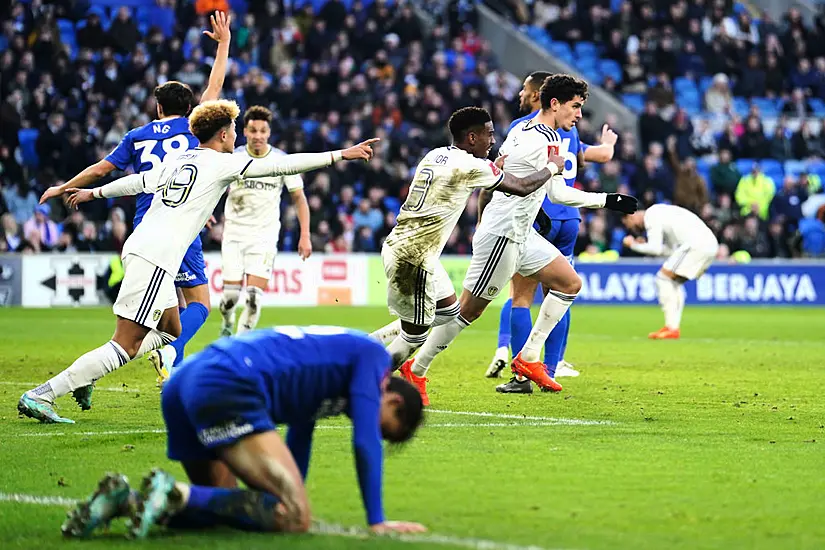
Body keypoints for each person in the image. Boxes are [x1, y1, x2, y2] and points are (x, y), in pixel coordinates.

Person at [18, 99, 379, 424]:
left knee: (171, 331)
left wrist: (94, 192)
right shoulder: (223, 164)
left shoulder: (180, 159)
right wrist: (340, 154)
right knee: (125, 344)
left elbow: (136, 182)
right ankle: (43, 394)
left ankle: (87, 376)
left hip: (142, 247)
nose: (237, 136)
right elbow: (283, 166)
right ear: (223, 134)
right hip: (157, 257)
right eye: (235, 130)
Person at [396, 75, 637, 402]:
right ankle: (417, 367)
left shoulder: (542, 134)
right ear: (555, 103)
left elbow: (555, 191)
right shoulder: (533, 138)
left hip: (522, 234)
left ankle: (528, 357)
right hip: (503, 234)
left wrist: (607, 200)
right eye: (576, 106)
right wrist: (603, 199)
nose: (580, 115)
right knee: (467, 312)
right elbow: (502, 177)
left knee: (569, 284)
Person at [61, 326, 426, 538]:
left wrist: (286, 485)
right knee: (295, 518)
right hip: (230, 382)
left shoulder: (330, 377)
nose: (376, 434)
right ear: (392, 402)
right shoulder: (373, 360)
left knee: (227, 508)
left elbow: (301, 431)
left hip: (187, 381)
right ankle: (171, 492)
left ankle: (127, 502)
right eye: (387, 431)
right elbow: (363, 440)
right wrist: (376, 520)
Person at [38, 12, 233, 381]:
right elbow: (216, 85)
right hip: (177, 226)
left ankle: (163, 365)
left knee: (169, 319)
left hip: (144, 224)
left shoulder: (137, 135)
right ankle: (172, 357)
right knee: (200, 305)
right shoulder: (195, 130)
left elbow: (101, 170)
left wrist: (64, 187)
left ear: (158, 107)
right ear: (190, 109)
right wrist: (222, 44)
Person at [368, 107, 565, 403]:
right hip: (414, 258)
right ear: (471, 137)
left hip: (407, 247)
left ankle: (365, 346)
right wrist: (552, 167)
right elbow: (522, 187)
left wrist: (493, 168)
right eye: (488, 134)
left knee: (448, 311)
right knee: (416, 334)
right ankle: (366, 381)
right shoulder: (471, 166)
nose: (492, 140)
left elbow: (480, 178)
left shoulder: (435, 155)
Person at [487, 71, 618, 390]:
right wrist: (609, 147)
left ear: (538, 96)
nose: (519, 95)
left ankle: (521, 373)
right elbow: (594, 158)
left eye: (524, 90)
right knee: (560, 293)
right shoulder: (568, 132)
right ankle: (553, 367)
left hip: (538, 217)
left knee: (520, 297)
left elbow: (501, 171)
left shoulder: (526, 128)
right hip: (570, 221)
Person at [217, 105, 312, 338]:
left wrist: (305, 235)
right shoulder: (234, 158)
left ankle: (237, 347)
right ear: (245, 132)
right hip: (234, 235)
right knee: (229, 298)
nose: (258, 135)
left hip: (264, 238)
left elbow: (299, 198)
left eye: (262, 131)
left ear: (268, 133)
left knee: (253, 299)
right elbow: (212, 188)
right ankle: (227, 320)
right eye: (253, 130)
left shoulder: (281, 161)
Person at [622, 204, 719, 339]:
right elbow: (669, 251)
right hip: (708, 244)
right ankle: (672, 328)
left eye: (628, 223)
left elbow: (655, 249)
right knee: (672, 282)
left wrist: (633, 245)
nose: (631, 228)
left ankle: (671, 328)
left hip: (696, 244)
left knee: (662, 278)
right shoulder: (663, 213)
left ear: (631, 216)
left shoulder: (651, 215)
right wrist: (642, 245)